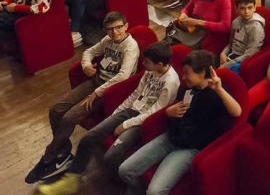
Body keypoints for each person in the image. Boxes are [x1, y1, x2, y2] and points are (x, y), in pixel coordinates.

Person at [36, 42, 180, 195]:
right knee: (88, 138)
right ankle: (71, 180)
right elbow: (136, 94)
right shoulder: (149, 71)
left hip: (141, 122)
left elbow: (154, 112)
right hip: (129, 112)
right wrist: (116, 114)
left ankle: (115, 187)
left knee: (111, 155)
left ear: (159, 64)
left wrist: (125, 125)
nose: (143, 64)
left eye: (146, 62)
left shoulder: (170, 82)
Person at [25, 12, 139, 183]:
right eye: (110, 29)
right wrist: (86, 66)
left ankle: (49, 157)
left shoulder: (130, 46)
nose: (115, 32)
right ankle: (62, 151)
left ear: (126, 26)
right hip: (95, 81)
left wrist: (97, 92)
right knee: (55, 110)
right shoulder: (108, 41)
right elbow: (89, 52)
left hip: (108, 91)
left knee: (70, 117)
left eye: (118, 27)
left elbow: (123, 76)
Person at [118, 51, 242, 195]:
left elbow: (237, 111)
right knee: (124, 170)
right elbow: (179, 107)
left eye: (187, 73)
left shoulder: (217, 92)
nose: (183, 77)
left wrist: (220, 90)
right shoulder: (189, 88)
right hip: (170, 137)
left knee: (154, 191)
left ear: (202, 73)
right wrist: (169, 112)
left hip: (190, 148)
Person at [167, 0, 232, 50]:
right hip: (194, 30)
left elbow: (225, 26)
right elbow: (187, 8)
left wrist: (199, 22)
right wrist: (183, 14)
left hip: (210, 34)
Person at [220, 0, 265, 72]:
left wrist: (227, 65)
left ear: (255, 7)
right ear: (236, 9)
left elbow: (250, 53)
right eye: (242, 8)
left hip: (244, 59)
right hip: (232, 54)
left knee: (223, 75)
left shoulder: (256, 28)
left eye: (249, 7)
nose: (246, 12)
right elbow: (231, 42)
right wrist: (223, 53)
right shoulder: (235, 22)